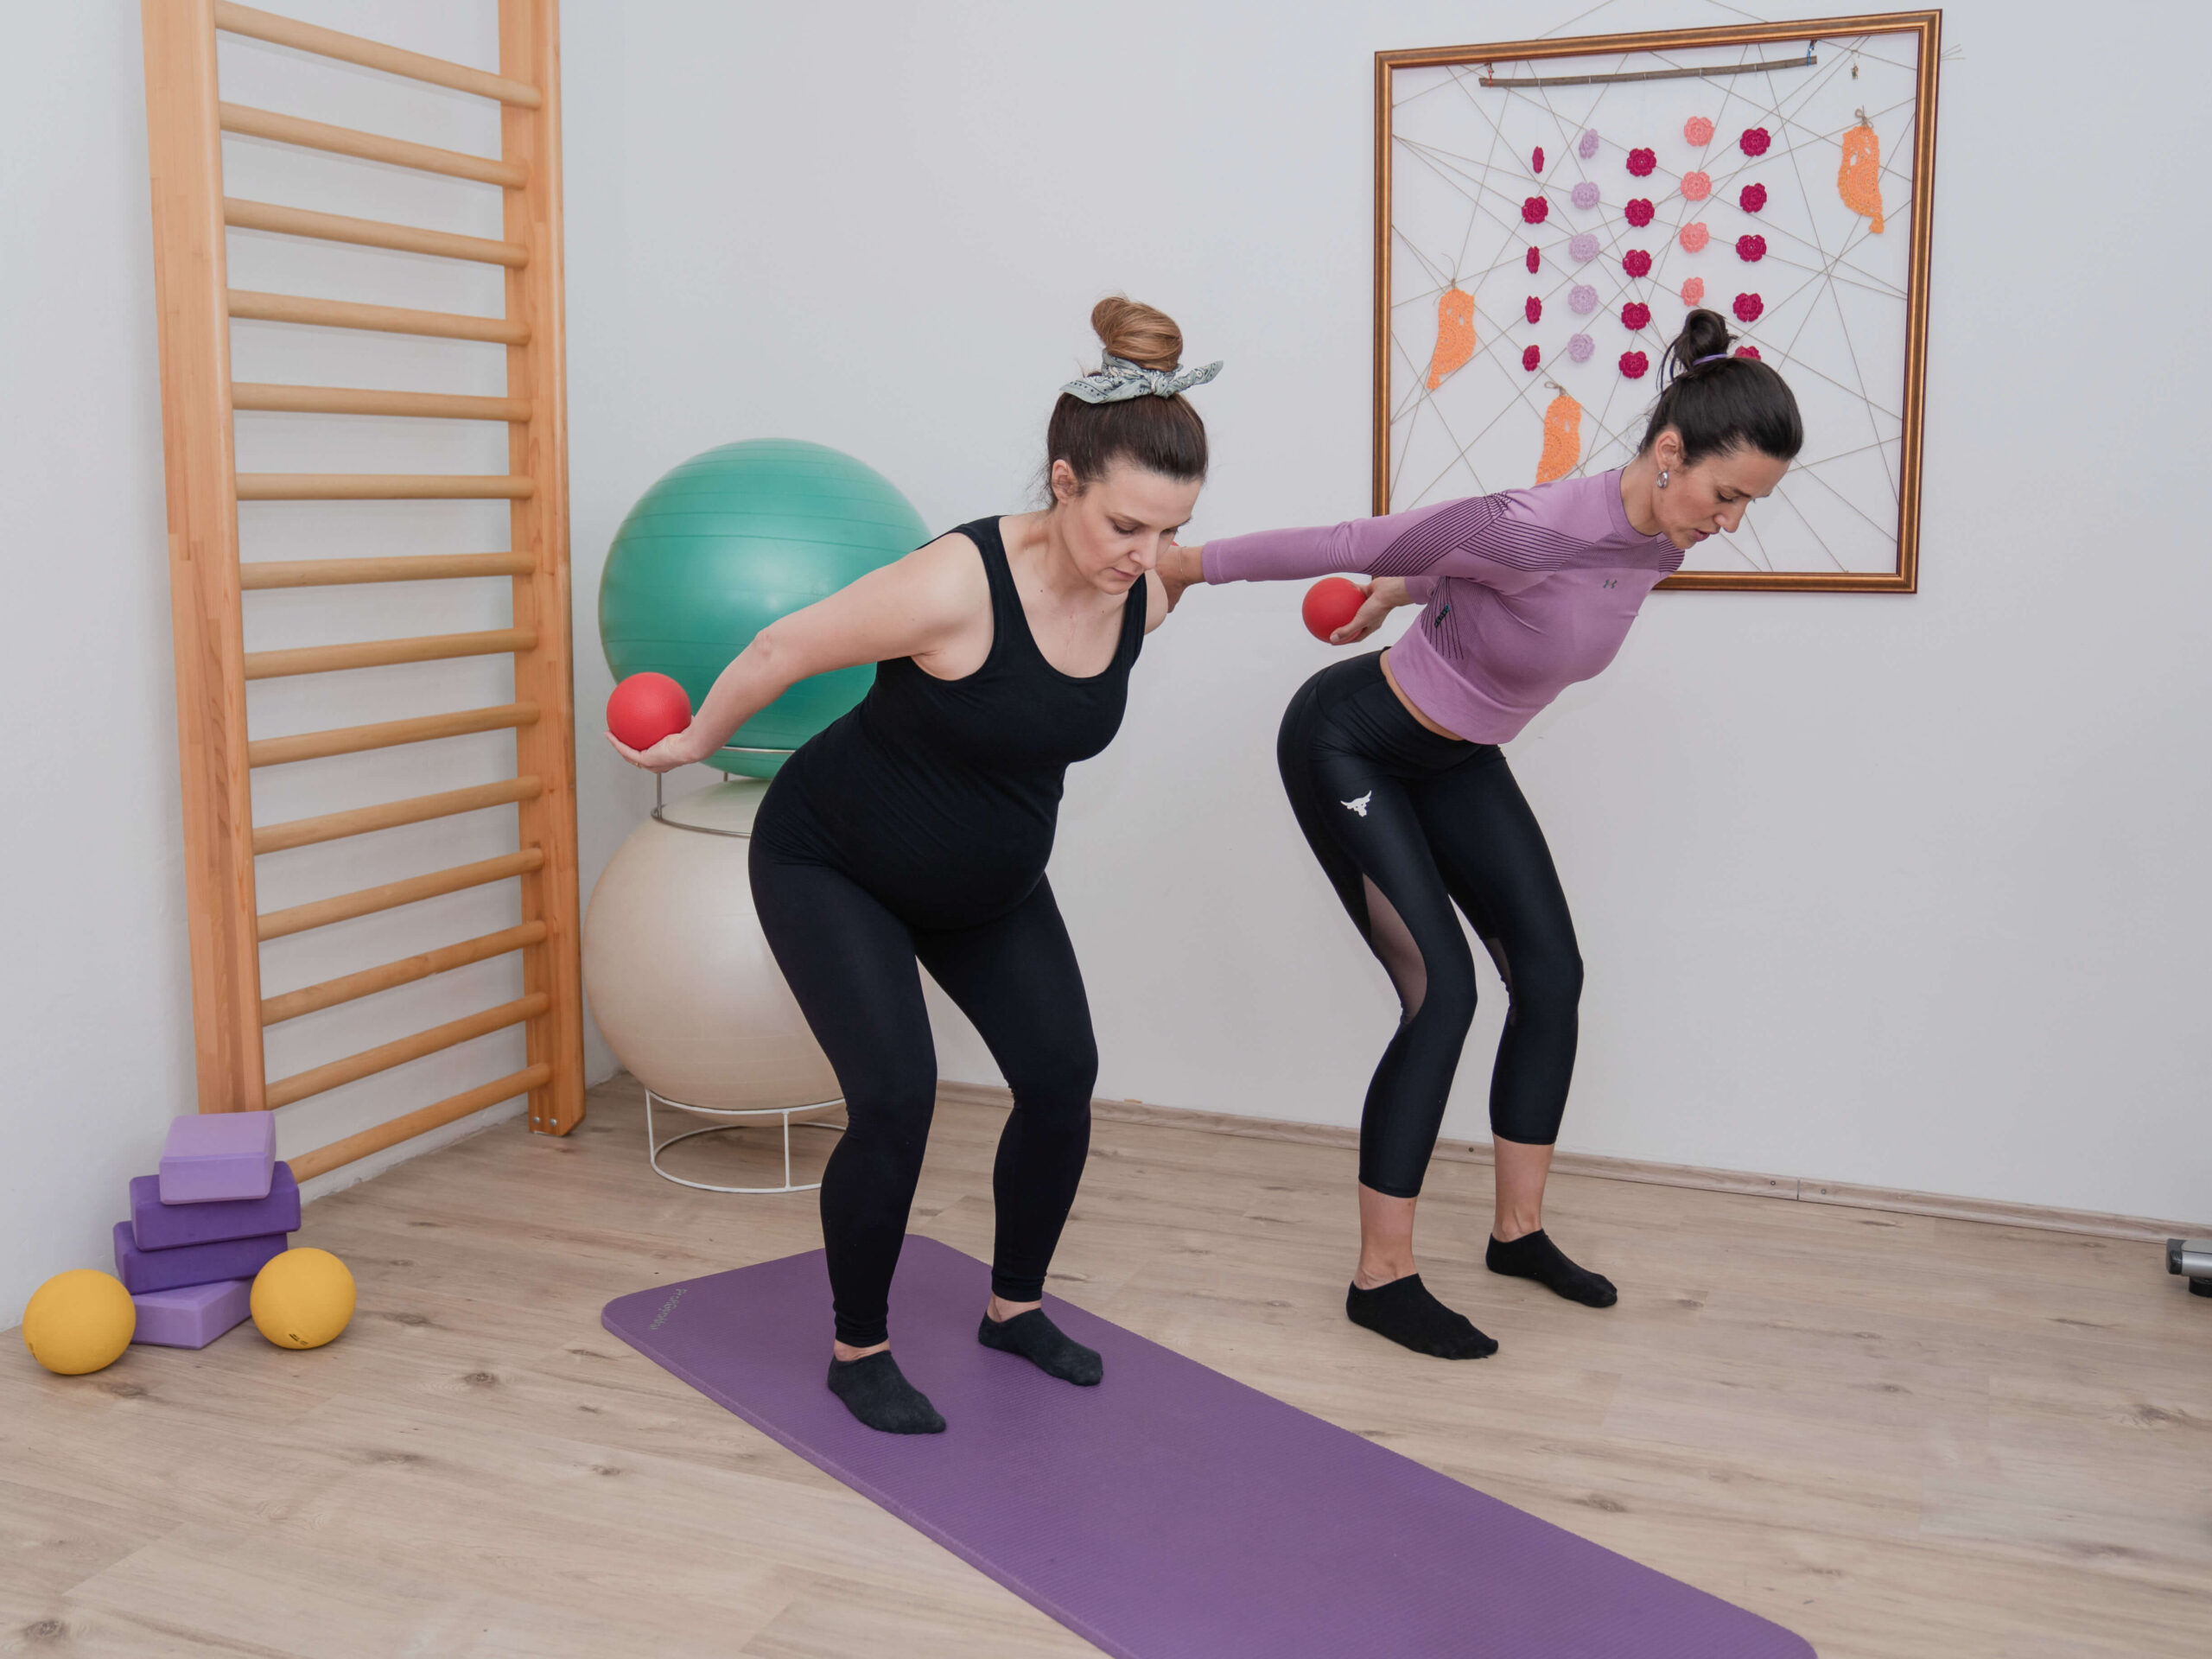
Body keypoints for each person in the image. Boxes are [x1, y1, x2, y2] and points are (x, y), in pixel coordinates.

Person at [612, 298, 1219, 1432]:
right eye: (1126, 526)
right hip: (834, 861)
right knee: (896, 1097)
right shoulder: (957, 584)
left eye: (1169, 529)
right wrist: (695, 742)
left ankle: (1014, 1308)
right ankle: (859, 1350)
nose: (1145, 555)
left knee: (1060, 1079)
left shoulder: (1140, 589)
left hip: (983, 887)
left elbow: (1189, 580)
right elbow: (783, 645)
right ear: (1064, 481)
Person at [1160, 310, 1802, 1360]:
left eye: (1749, 505)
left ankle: (1517, 1235)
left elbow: (1481, 584)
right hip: (1351, 745)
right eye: (1726, 494)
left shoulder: (1662, 541)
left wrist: (1402, 594)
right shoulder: (1535, 521)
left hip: (1456, 757)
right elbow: (1351, 542)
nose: (1730, 521)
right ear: (1670, 451)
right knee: (1442, 993)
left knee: (1549, 973)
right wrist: (1188, 566)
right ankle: (1381, 1279)